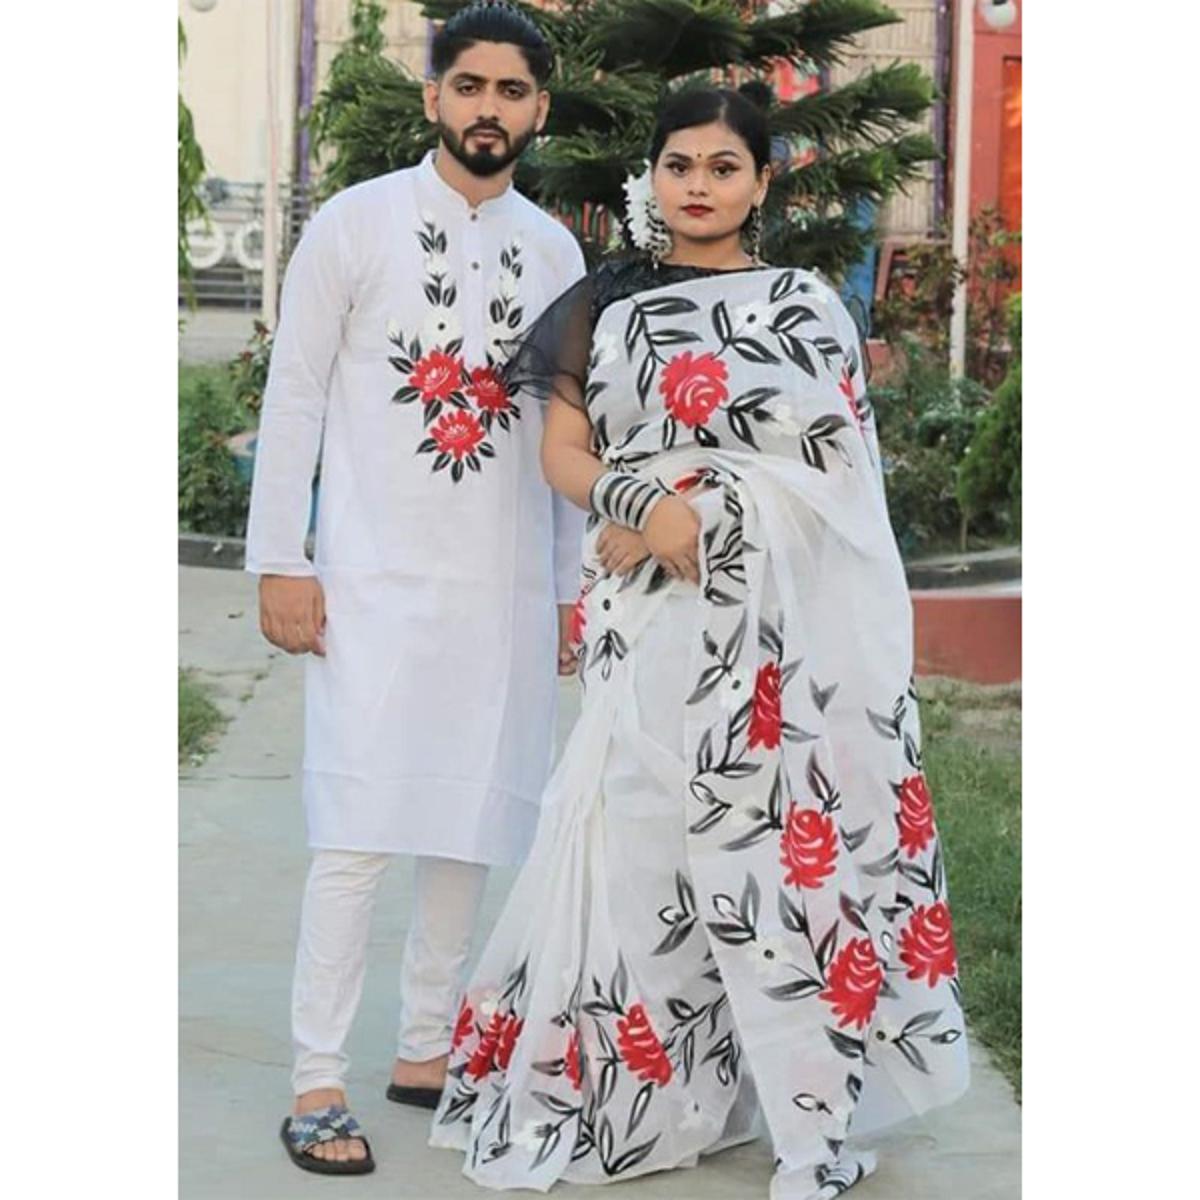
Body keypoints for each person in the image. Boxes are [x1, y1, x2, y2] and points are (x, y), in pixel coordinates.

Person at [428, 87, 969, 1200]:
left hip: (774, 635)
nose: (699, 186)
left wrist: (700, 508)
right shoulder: (605, 303)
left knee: (773, 849)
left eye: (725, 167)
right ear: (653, 176)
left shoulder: (804, 308)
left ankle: (810, 1122)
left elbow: (841, 485)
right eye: (680, 165)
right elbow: (565, 453)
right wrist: (639, 503)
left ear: (762, 182)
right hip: (646, 618)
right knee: (638, 837)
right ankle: (655, 1093)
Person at [245, 1, 587, 1177]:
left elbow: (562, 433)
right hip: (371, 577)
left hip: (502, 586)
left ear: (539, 109)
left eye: (512, 91)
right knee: (356, 825)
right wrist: (281, 558)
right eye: (470, 86)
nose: (489, 109)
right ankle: (317, 1077)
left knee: (472, 814)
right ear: (433, 94)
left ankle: (426, 1048)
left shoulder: (555, 252)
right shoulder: (355, 223)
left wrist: (566, 587)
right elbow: (295, 394)